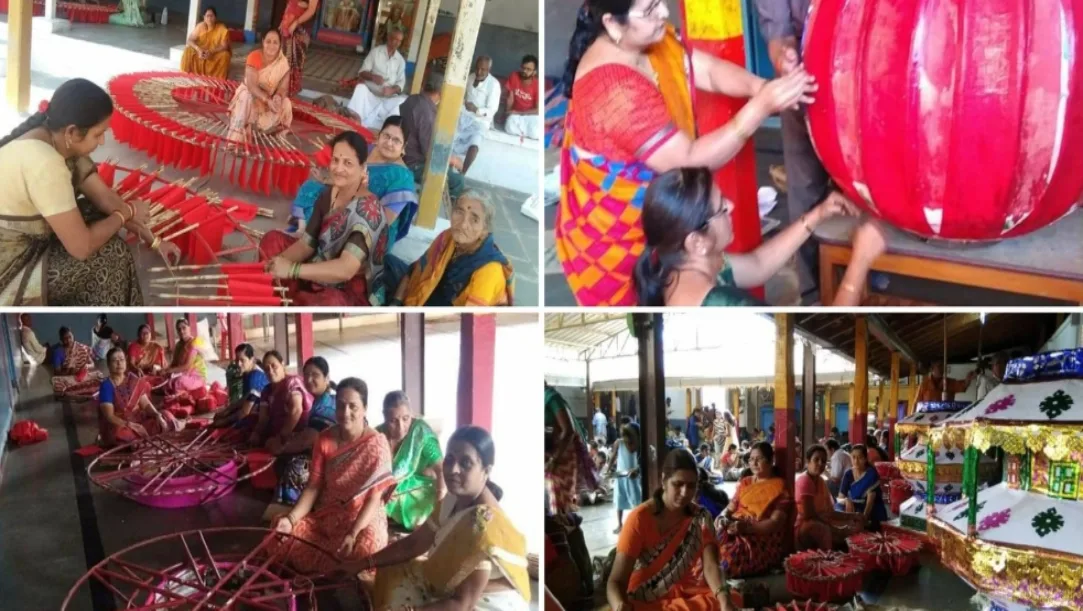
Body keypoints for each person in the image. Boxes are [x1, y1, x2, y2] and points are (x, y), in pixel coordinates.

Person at [555, 0, 816, 306]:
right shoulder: (613, 90)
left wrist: (760, 87)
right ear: (612, 23)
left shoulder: (649, 39)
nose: (664, 13)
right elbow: (689, 160)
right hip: (616, 241)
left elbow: (706, 70)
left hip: (661, 219)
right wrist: (762, 107)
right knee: (645, 309)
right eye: (651, 9)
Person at [0, 78, 170, 305]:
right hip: (11, 261)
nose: (102, 142)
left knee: (97, 215)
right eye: (98, 134)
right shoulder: (45, 163)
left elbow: (105, 198)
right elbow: (81, 248)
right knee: (110, 255)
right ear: (72, 131)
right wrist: (125, 214)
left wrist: (155, 240)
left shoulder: (56, 138)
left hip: (32, 238)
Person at [339, 426, 531, 610]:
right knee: (392, 570)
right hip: (454, 588)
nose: (453, 469)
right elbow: (414, 544)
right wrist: (362, 564)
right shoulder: (454, 498)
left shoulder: (481, 524)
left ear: (486, 471)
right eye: (449, 459)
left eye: (465, 463)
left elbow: (462, 604)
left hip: (484, 602)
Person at [635, 167, 887, 306]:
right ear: (696, 242)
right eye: (722, 207)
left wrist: (817, 215)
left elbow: (757, 264)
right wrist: (861, 260)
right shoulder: (726, 306)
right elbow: (834, 331)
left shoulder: (676, 269)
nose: (731, 206)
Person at [272, 377, 394, 575]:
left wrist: (353, 534)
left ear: (365, 408)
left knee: (365, 550)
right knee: (280, 532)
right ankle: (336, 572)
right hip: (328, 515)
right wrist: (292, 519)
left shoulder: (377, 445)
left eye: (353, 406)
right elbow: (313, 487)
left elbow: (374, 498)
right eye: (340, 406)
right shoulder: (324, 439)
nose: (345, 413)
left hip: (363, 519)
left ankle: (335, 569)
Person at [260, 131, 388, 306]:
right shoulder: (328, 195)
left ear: (362, 167)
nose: (338, 168)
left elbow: (345, 269)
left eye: (348, 163)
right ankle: (276, 293)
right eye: (335, 160)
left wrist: (292, 269)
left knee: (327, 302)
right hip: (317, 262)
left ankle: (289, 296)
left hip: (347, 287)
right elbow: (307, 244)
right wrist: (276, 264)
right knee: (272, 241)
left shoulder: (369, 211)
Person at [607, 448, 732, 610]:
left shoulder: (701, 517)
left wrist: (724, 601)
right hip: (645, 597)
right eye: (678, 484)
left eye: (691, 486)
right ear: (664, 480)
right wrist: (620, 605)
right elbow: (615, 582)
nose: (685, 492)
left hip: (686, 593)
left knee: (730, 598)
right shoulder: (639, 519)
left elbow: (711, 566)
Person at [384, 190, 514, 306]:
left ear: (484, 231)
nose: (463, 224)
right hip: (431, 294)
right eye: (459, 212)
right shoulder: (448, 237)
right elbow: (416, 269)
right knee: (387, 263)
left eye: (474, 220)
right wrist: (397, 300)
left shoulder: (489, 272)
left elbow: (469, 324)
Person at [717, 441, 791, 578]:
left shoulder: (780, 488)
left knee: (726, 560)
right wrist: (722, 517)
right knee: (708, 548)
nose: (753, 463)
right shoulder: (745, 482)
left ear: (770, 461)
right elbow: (730, 508)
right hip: (735, 527)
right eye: (751, 459)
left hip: (760, 538)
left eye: (759, 459)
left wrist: (747, 528)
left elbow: (775, 523)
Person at [271, 356, 336, 505]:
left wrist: (279, 448)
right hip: (330, 453)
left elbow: (307, 440)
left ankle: (295, 508)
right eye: (306, 375)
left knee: (294, 466)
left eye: (315, 375)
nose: (309, 379)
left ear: (327, 378)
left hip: (336, 459)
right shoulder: (323, 399)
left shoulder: (325, 406)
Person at [378, 390, 445, 531]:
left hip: (418, 488)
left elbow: (441, 469)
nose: (401, 427)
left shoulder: (420, 432)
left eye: (406, 418)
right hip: (384, 489)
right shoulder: (377, 436)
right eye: (393, 421)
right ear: (384, 417)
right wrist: (383, 490)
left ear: (412, 415)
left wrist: (440, 506)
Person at [97, 347, 180, 447]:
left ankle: (142, 440)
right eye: (115, 360)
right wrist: (129, 425)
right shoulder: (106, 386)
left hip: (139, 421)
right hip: (120, 425)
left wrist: (157, 414)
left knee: (165, 416)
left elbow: (146, 404)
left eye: (122, 360)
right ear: (109, 365)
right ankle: (139, 441)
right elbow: (109, 416)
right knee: (121, 435)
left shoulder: (133, 380)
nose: (119, 363)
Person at [227, 30, 293, 146]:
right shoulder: (254, 56)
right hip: (251, 93)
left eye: (275, 42)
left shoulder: (283, 63)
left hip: (269, 98)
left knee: (286, 103)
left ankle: (277, 136)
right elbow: (251, 85)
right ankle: (236, 140)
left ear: (280, 45)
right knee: (246, 97)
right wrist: (267, 99)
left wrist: (278, 96)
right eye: (268, 41)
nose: (271, 46)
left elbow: (283, 87)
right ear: (263, 42)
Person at [795, 445, 863, 550]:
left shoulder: (821, 481)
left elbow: (830, 512)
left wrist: (852, 516)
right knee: (823, 529)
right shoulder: (805, 480)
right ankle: (828, 559)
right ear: (808, 461)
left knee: (856, 523)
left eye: (823, 461)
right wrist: (836, 529)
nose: (820, 464)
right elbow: (809, 515)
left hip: (821, 520)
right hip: (805, 526)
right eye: (816, 460)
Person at [545, 385, 600, 516]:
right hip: (550, 458)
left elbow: (568, 431)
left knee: (559, 510)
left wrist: (553, 459)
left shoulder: (551, 398)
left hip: (559, 461)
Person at [365, 116, 419, 244]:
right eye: (386, 136)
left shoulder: (402, 178)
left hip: (371, 231)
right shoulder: (366, 150)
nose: (389, 143)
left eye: (396, 140)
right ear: (379, 135)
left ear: (403, 147)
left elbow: (383, 221)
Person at [249, 350, 313, 448]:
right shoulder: (267, 391)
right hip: (276, 433)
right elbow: (263, 418)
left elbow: (296, 410)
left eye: (274, 366)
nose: (270, 371)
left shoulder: (292, 383)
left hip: (295, 434)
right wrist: (256, 433)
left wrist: (280, 438)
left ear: (282, 364)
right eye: (266, 369)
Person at [347, 28, 407, 130]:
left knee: (404, 100)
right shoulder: (375, 52)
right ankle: (355, 121)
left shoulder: (400, 60)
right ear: (388, 38)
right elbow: (361, 72)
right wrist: (373, 77)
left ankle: (388, 130)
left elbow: (401, 83)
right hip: (371, 96)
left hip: (387, 100)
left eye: (400, 41)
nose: (397, 43)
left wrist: (392, 90)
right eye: (395, 39)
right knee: (360, 88)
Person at [451, 56, 501, 176]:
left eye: (483, 69)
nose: (479, 72)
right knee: (450, 137)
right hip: (464, 115)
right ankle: (447, 167)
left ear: (489, 69)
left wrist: (476, 110)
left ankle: (462, 173)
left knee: (474, 144)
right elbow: (463, 96)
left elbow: (492, 110)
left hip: (480, 121)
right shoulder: (470, 77)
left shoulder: (494, 85)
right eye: (477, 68)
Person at [213, 343, 270, 427]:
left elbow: (245, 412)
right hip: (250, 407)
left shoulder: (255, 378)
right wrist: (225, 411)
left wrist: (225, 420)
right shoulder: (247, 372)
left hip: (259, 413)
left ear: (252, 359)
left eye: (242, 360)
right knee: (220, 417)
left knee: (230, 425)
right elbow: (244, 399)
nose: (238, 364)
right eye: (237, 360)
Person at [836, 444, 888, 531]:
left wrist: (863, 519)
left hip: (871, 508)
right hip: (854, 506)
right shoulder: (848, 474)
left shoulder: (871, 474)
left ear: (865, 459)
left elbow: (870, 501)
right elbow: (840, 497)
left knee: (865, 522)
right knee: (838, 507)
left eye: (860, 458)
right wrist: (846, 501)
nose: (856, 461)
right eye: (853, 457)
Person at [278, 0, 319, 98]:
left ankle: (288, 94)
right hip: (287, 28)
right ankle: (280, 92)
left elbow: (311, 10)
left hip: (299, 29)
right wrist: (283, 22)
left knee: (293, 63)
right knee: (282, 61)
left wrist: (296, 23)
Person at [51, 326, 106, 396]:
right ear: (61, 340)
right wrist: (70, 371)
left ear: (73, 336)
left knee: (99, 377)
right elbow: (57, 372)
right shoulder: (58, 352)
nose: (68, 340)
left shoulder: (80, 348)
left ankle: (81, 389)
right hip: (67, 377)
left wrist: (86, 366)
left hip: (81, 375)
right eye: (65, 338)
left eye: (70, 337)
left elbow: (92, 364)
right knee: (59, 385)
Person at [181, 7, 232, 78]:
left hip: (214, 53)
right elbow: (189, 40)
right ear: (204, 17)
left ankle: (217, 81)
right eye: (207, 16)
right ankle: (186, 76)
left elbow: (225, 46)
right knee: (188, 50)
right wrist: (198, 49)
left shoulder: (221, 28)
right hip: (201, 53)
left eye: (212, 16)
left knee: (225, 55)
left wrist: (211, 52)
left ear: (215, 18)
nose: (209, 18)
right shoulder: (200, 26)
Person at [161, 318, 208, 395]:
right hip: (184, 375)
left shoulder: (195, 342)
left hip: (197, 378)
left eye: (184, 328)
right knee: (165, 380)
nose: (181, 331)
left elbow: (186, 366)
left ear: (189, 328)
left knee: (179, 382)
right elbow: (174, 363)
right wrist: (164, 370)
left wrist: (168, 371)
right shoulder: (178, 345)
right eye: (179, 329)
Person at [609, 423, 641, 533]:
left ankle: (637, 523)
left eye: (631, 441)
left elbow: (641, 460)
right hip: (620, 476)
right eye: (626, 440)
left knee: (635, 501)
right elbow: (613, 456)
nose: (629, 444)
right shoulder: (619, 443)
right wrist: (608, 469)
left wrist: (637, 469)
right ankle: (620, 524)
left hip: (632, 477)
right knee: (619, 500)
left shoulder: (638, 444)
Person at [504, 54, 540, 140]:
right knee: (509, 125)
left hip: (530, 116)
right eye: (523, 68)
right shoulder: (514, 76)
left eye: (528, 69)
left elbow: (538, 110)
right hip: (516, 116)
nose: (525, 71)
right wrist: (507, 112)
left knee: (537, 129)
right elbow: (510, 98)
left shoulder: (537, 85)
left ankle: (523, 132)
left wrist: (519, 113)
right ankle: (525, 132)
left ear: (534, 72)